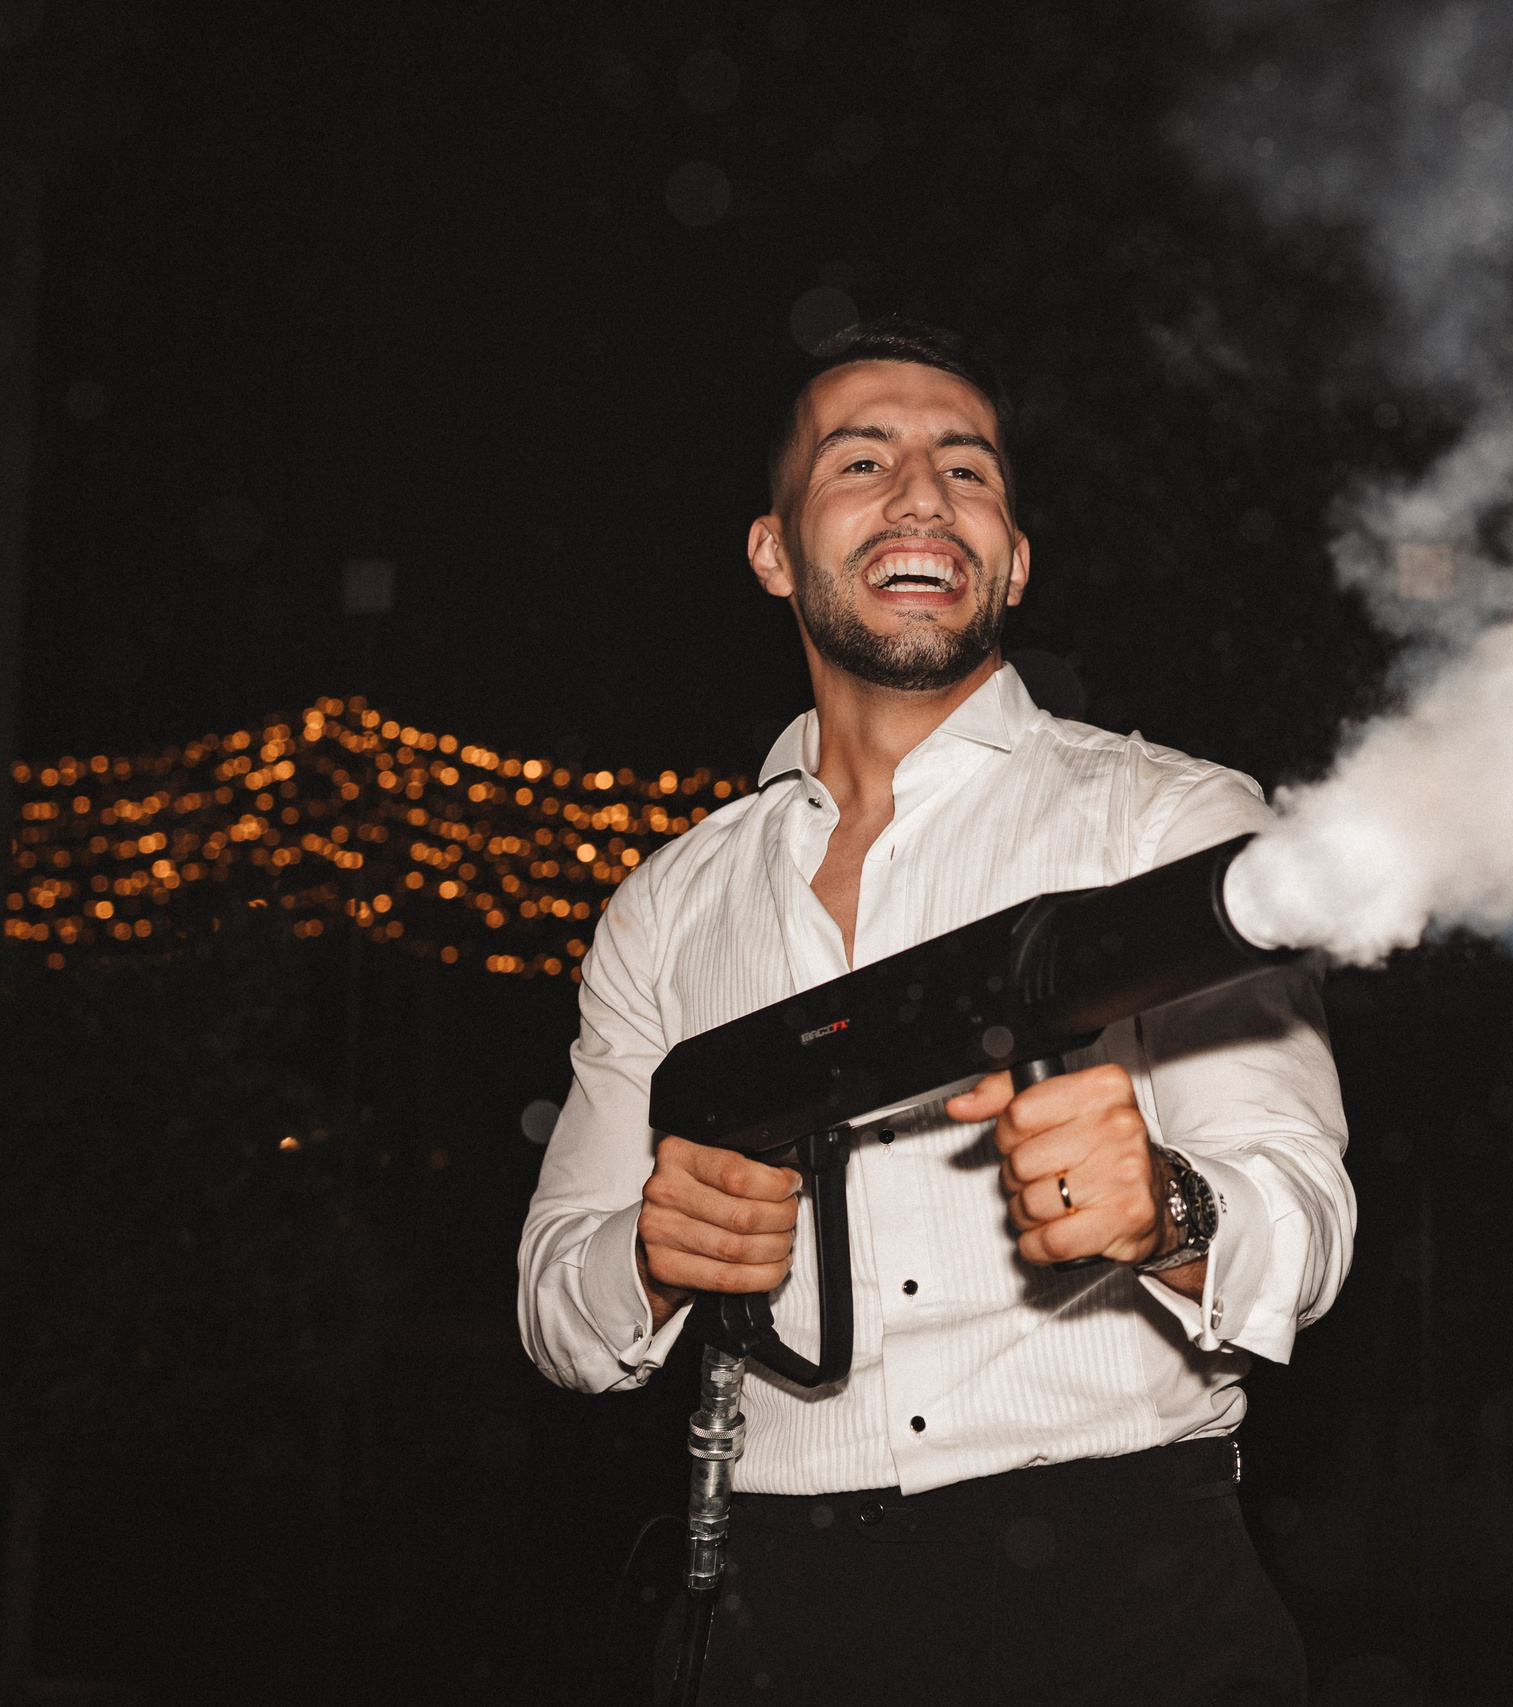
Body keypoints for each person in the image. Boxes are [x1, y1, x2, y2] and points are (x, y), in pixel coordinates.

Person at [516, 317, 1354, 1705]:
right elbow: (557, 1301)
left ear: (1014, 559)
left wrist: (1171, 1209)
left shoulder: (1174, 823)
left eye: (967, 469)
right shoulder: (666, 905)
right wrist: (650, 1254)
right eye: (864, 459)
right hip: (773, 1606)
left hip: (1125, 1593)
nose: (921, 494)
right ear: (774, 550)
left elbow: (1310, 1227)